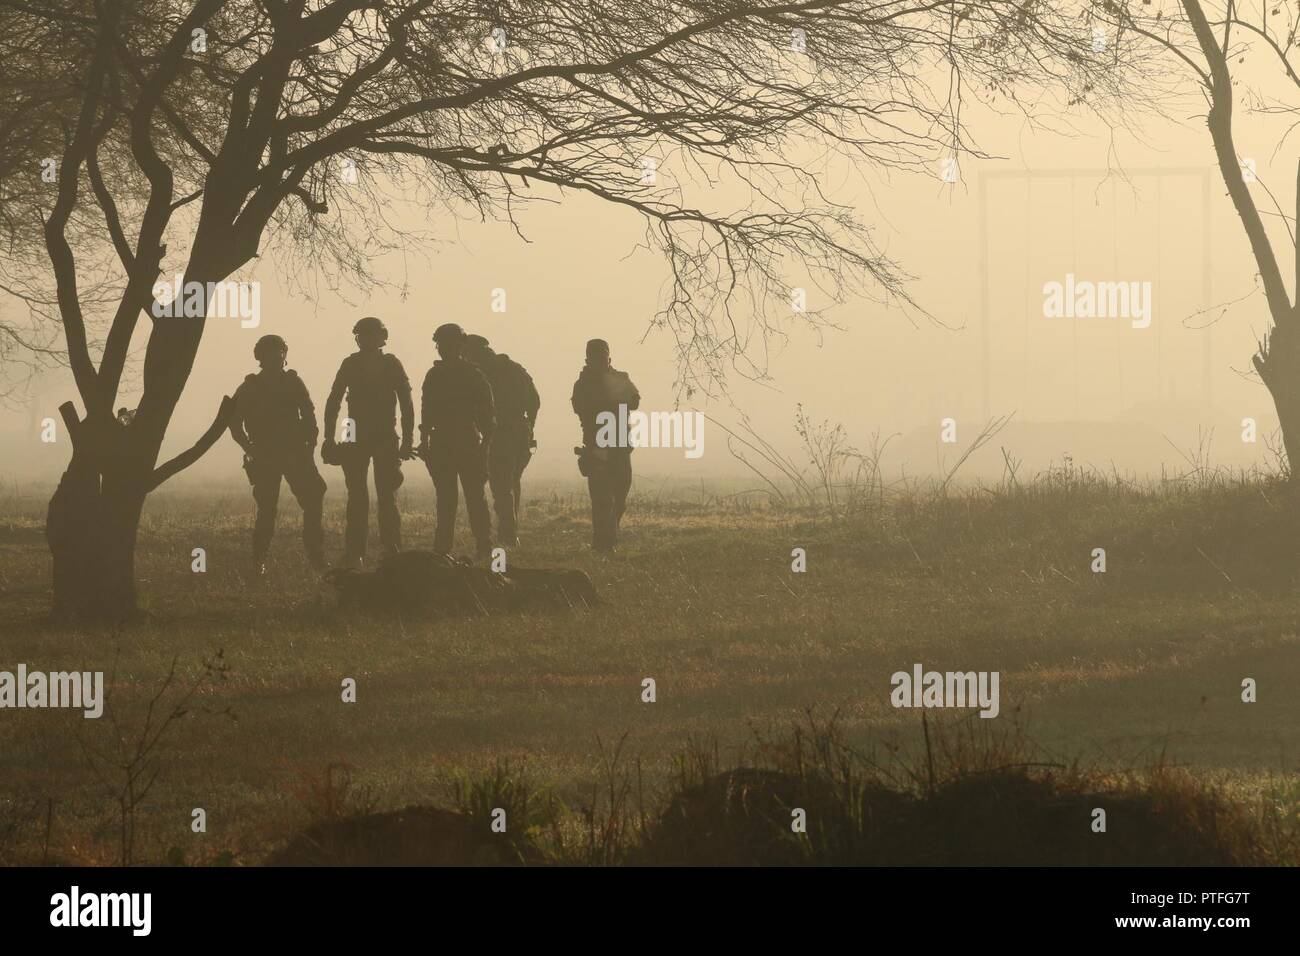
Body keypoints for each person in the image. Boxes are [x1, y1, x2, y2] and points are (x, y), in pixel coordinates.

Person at [229, 334, 327, 574]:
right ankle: (261, 559)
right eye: (271, 353)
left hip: (292, 452)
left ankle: (314, 556)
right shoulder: (250, 386)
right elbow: (234, 423)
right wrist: (251, 449)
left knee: (311, 499)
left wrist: (309, 445)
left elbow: (309, 416)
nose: (276, 357)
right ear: (260, 357)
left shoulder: (291, 382)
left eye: (278, 352)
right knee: (268, 509)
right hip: (268, 454)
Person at [322, 316, 415, 569]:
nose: (366, 340)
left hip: (384, 436)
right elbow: (334, 400)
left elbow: (407, 403)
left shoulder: (391, 364)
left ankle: (391, 550)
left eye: (371, 335)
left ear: (382, 338)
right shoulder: (351, 364)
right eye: (362, 335)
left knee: (387, 497)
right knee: (358, 497)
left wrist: (408, 440)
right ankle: (356, 552)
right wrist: (328, 437)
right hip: (356, 437)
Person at [420, 323, 497, 559]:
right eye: (441, 344)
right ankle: (443, 549)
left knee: (474, 497)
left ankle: (484, 545)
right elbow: (427, 410)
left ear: (460, 346)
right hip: (444, 442)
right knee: (446, 499)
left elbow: (487, 413)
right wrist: (424, 441)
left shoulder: (473, 375)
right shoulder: (435, 375)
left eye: (448, 344)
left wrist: (485, 446)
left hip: (467, 442)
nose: (444, 349)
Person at [463, 334, 540, 546]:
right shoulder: (515, 368)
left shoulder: (480, 374)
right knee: (512, 482)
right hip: (520, 434)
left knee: (502, 485)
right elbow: (534, 401)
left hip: (500, 434)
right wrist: (530, 426)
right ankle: (510, 531)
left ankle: (508, 534)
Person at [571, 339, 640, 552]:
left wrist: (616, 390)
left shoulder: (621, 378)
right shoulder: (582, 384)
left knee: (620, 494)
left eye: (603, 358)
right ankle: (603, 544)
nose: (601, 362)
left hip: (620, 445)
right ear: (588, 360)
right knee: (601, 498)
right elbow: (580, 407)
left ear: (609, 358)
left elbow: (635, 401)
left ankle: (608, 536)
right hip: (597, 445)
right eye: (596, 358)